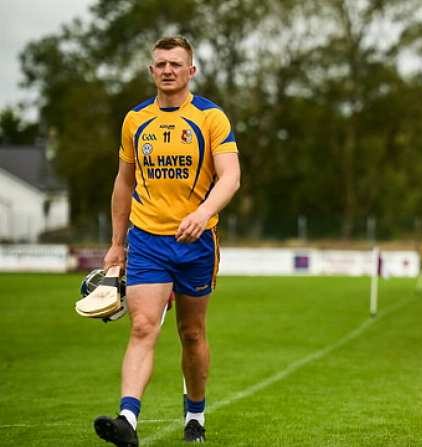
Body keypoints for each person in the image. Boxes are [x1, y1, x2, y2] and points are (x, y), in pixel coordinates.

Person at [94, 36, 240, 446]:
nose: (168, 70)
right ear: (151, 70)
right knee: (142, 327)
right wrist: (116, 243)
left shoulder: (211, 118)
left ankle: (195, 413)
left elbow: (230, 175)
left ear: (191, 71)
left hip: (196, 243)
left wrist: (201, 213)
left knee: (191, 333)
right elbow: (124, 183)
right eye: (161, 64)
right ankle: (128, 419)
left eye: (176, 64)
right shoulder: (135, 120)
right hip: (147, 241)